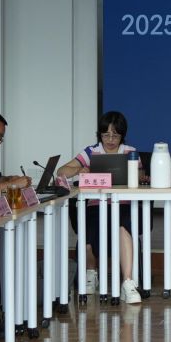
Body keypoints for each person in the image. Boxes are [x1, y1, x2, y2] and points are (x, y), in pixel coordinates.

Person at [59, 111, 139, 304]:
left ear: (122, 135)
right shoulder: (91, 151)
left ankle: (127, 282)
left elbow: (139, 177)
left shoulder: (130, 152)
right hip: (96, 205)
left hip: (122, 204)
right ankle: (91, 274)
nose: (110, 140)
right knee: (88, 228)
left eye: (115, 135)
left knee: (123, 226)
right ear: (99, 134)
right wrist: (79, 169)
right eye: (106, 135)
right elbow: (61, 171)